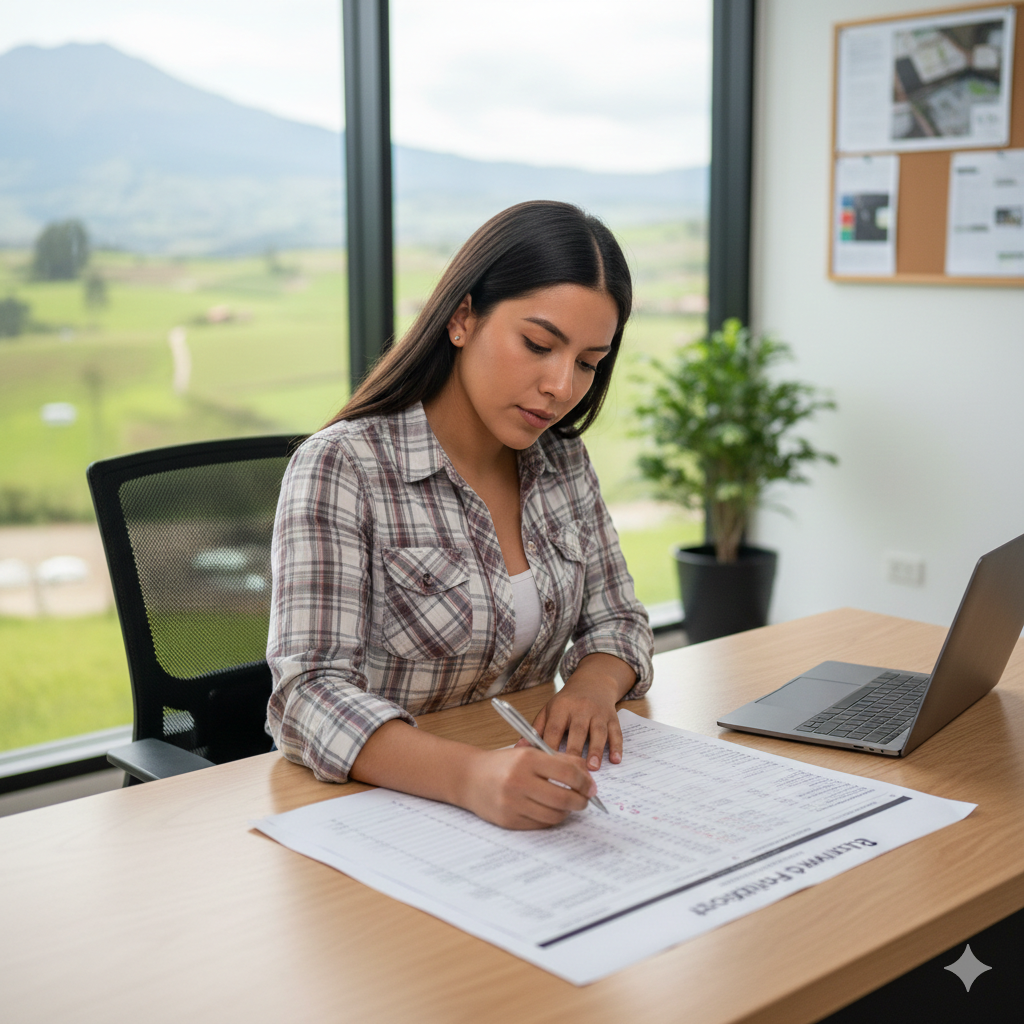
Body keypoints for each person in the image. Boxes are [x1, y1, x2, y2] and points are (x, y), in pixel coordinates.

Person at [267, 200, 654, 830]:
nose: (562, 385)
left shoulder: (562, 462)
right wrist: (472, 776)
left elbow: (619, 621)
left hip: (530, 796)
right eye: (537, 344)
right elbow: (307, 696)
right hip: (378, 810)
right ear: (462, 317)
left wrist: (591, 689)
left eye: (588, 363)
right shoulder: (343, 466)